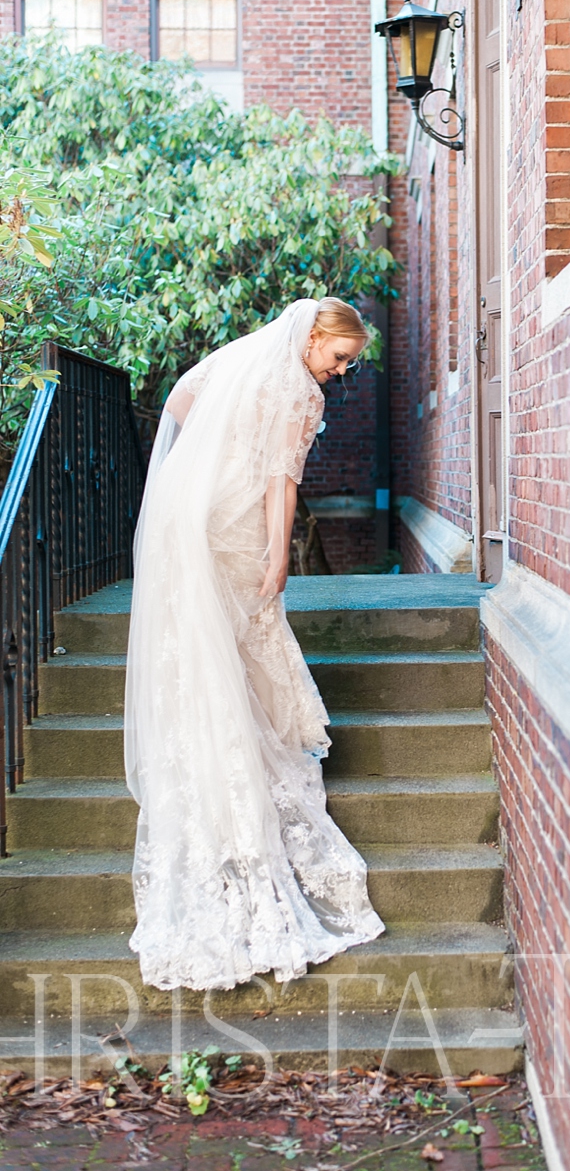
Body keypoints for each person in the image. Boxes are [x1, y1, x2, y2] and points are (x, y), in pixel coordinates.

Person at [123, 296, 385, 992]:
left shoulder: (243, 358)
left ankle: (211, 763)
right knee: (249, 637)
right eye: (338, 358)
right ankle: (243, 775)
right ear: (315, 340)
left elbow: (179, 398)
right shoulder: (297, 391)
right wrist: (277, 558)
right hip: (232, 526)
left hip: (185, 517)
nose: (337, 373)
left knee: (209, 652)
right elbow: (281, 487)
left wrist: (197, 467)